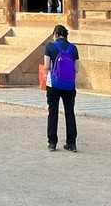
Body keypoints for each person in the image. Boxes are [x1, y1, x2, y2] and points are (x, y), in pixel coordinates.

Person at [43, 23, 80, 152]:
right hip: (69, 85)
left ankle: (52, 142)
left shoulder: (50, 47)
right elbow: (77, 69)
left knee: (53, 112)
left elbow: (47, 66)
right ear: (65, 35)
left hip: (54, 83)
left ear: (56, 35)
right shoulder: (73, 48)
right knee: (69, 112)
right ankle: (72, 143)